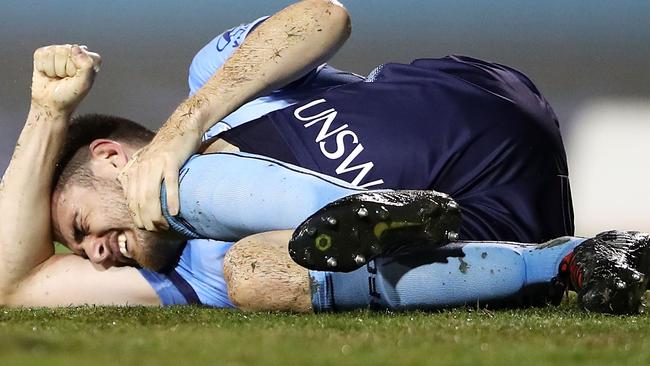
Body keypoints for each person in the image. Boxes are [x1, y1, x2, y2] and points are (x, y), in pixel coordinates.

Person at [0, 1, 647, 314]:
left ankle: (354, 217)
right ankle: (577, 259)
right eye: (80, 252)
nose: (92, 254)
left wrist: (185, 125)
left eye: (80, 228)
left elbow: (323, 17)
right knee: (253, 272)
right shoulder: (191, 280)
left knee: (165, 193)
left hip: (474, 110)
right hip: (493, 228)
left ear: (111, 154)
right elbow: (14, 287)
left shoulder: (218, 85)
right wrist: (45, 111)